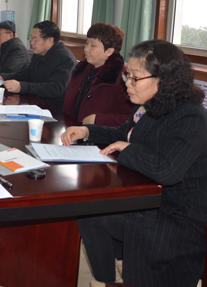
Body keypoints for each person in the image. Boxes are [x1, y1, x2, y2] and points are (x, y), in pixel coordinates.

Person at [61, 40, 207, 287]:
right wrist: (87, 131)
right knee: (90, 213)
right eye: (127, 75)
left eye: (135, 78)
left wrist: (128, 149)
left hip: (174, 217)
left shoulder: (190, 116)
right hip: (146, 200)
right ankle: (105, 280)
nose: (127, 83)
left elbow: (167, 170)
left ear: (164, 79)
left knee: (98, 214)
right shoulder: (152, 106)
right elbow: (124, 134)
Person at [62, 23, 133, 126]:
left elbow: (130, 118)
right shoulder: (82, 68)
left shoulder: (121, 77)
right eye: (87, 43)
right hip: (72, 127)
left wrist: (98, 119)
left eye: (93, 45)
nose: (86, 49)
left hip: (98, 133)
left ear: (109, 51)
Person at [0, 21, 76, 110]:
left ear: (50, 40)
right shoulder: (39, 54)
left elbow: (55, 88)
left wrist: (21, 87)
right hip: (36, 104)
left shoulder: (65, 59)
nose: (32, 43)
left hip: (54, 110)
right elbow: (26, 75)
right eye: (32, 38)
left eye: (35, 39)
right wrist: (1, 77)